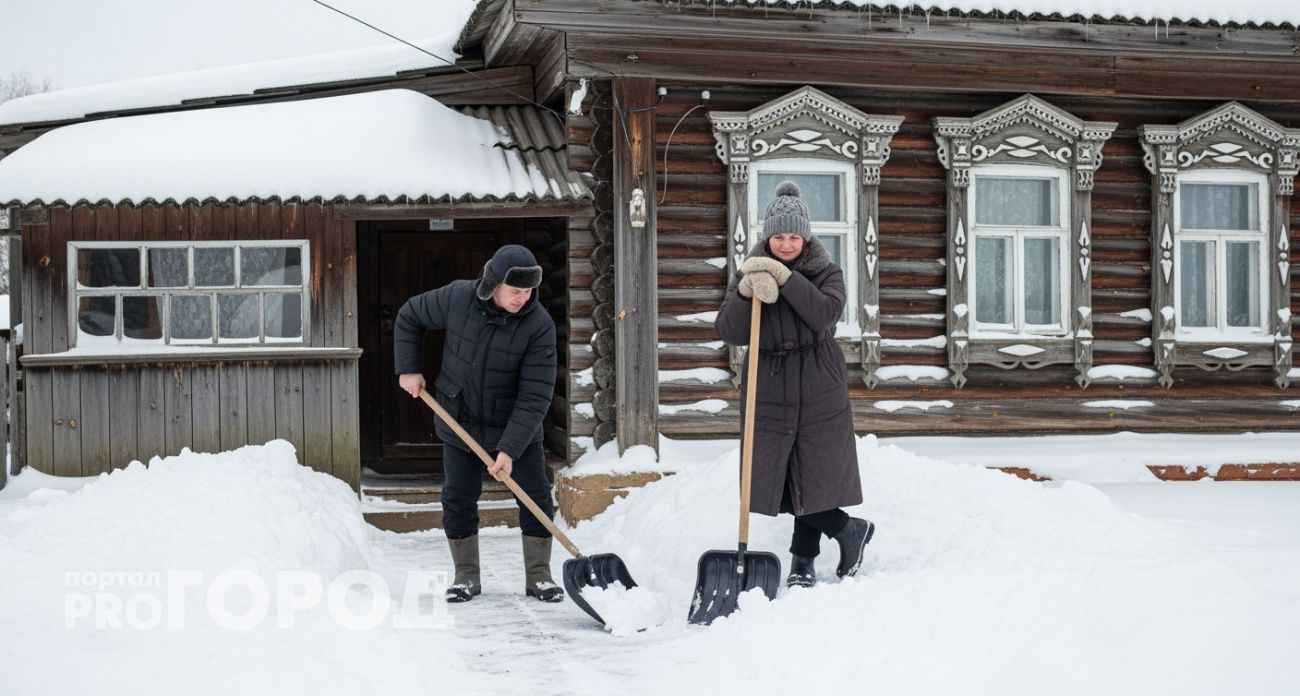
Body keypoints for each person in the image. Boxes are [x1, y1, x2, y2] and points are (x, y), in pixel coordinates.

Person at [714, 181, 875, 589]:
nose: (785, 244)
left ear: (806, 237)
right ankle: (848, 529)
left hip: (818, 379)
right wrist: (746, 294)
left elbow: (824, 314)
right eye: (778, 236)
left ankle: (803, 559)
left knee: (814, 472)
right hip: (768, 382)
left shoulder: (827, 272)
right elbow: (730, 331)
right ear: (767, 237)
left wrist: (785, 280)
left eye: (793, 236)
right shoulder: (748, 272)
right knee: (777, 477)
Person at [393, 244, 562, 603]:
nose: (522, 298)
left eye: (528, 291)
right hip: (460, 421)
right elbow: (410, 315)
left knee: (535, 497)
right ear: (494, 283)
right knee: (458, 499)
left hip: (514, 425)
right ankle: (466, 576)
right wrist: (409, 368)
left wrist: (510, 449)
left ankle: (539, 576)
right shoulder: (458, 298)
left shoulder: (539, 325)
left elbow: (535, 395)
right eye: (515, 290)